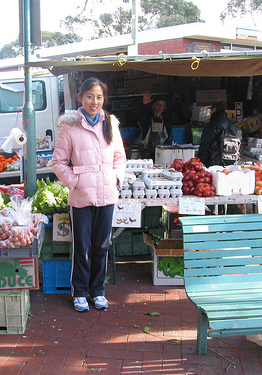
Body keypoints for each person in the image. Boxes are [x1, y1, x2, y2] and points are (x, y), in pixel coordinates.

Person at [52, 78, 127, 312]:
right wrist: (75, 181)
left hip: (106, 192)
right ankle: (79, 292)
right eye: (90, 96)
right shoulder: (70, 126)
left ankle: (98, 291)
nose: (95, 102)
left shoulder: (110, 124)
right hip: (81, 194)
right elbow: (58, 162)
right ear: (80, 98)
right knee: (82, 247)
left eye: (99, 97)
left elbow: (120, 157)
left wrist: (116, 178)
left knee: (102, 246)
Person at [197, 101, 239, 167]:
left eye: (211, 110)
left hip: (213, 163)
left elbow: (205, 145)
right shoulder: (231, 125)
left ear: (214, 109)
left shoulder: (212, 125)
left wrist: (201, 162)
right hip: (230, 162)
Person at [136, 90, 172, 159]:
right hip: (147, 153)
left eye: (162, 105)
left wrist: (166, 150)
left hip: (162, 154)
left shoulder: (166, 121)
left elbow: (170, 136)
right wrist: (143, 104)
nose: (161, 106)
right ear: (153, 106)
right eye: (159, 104)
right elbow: (139, 114)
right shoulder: (147, 119)